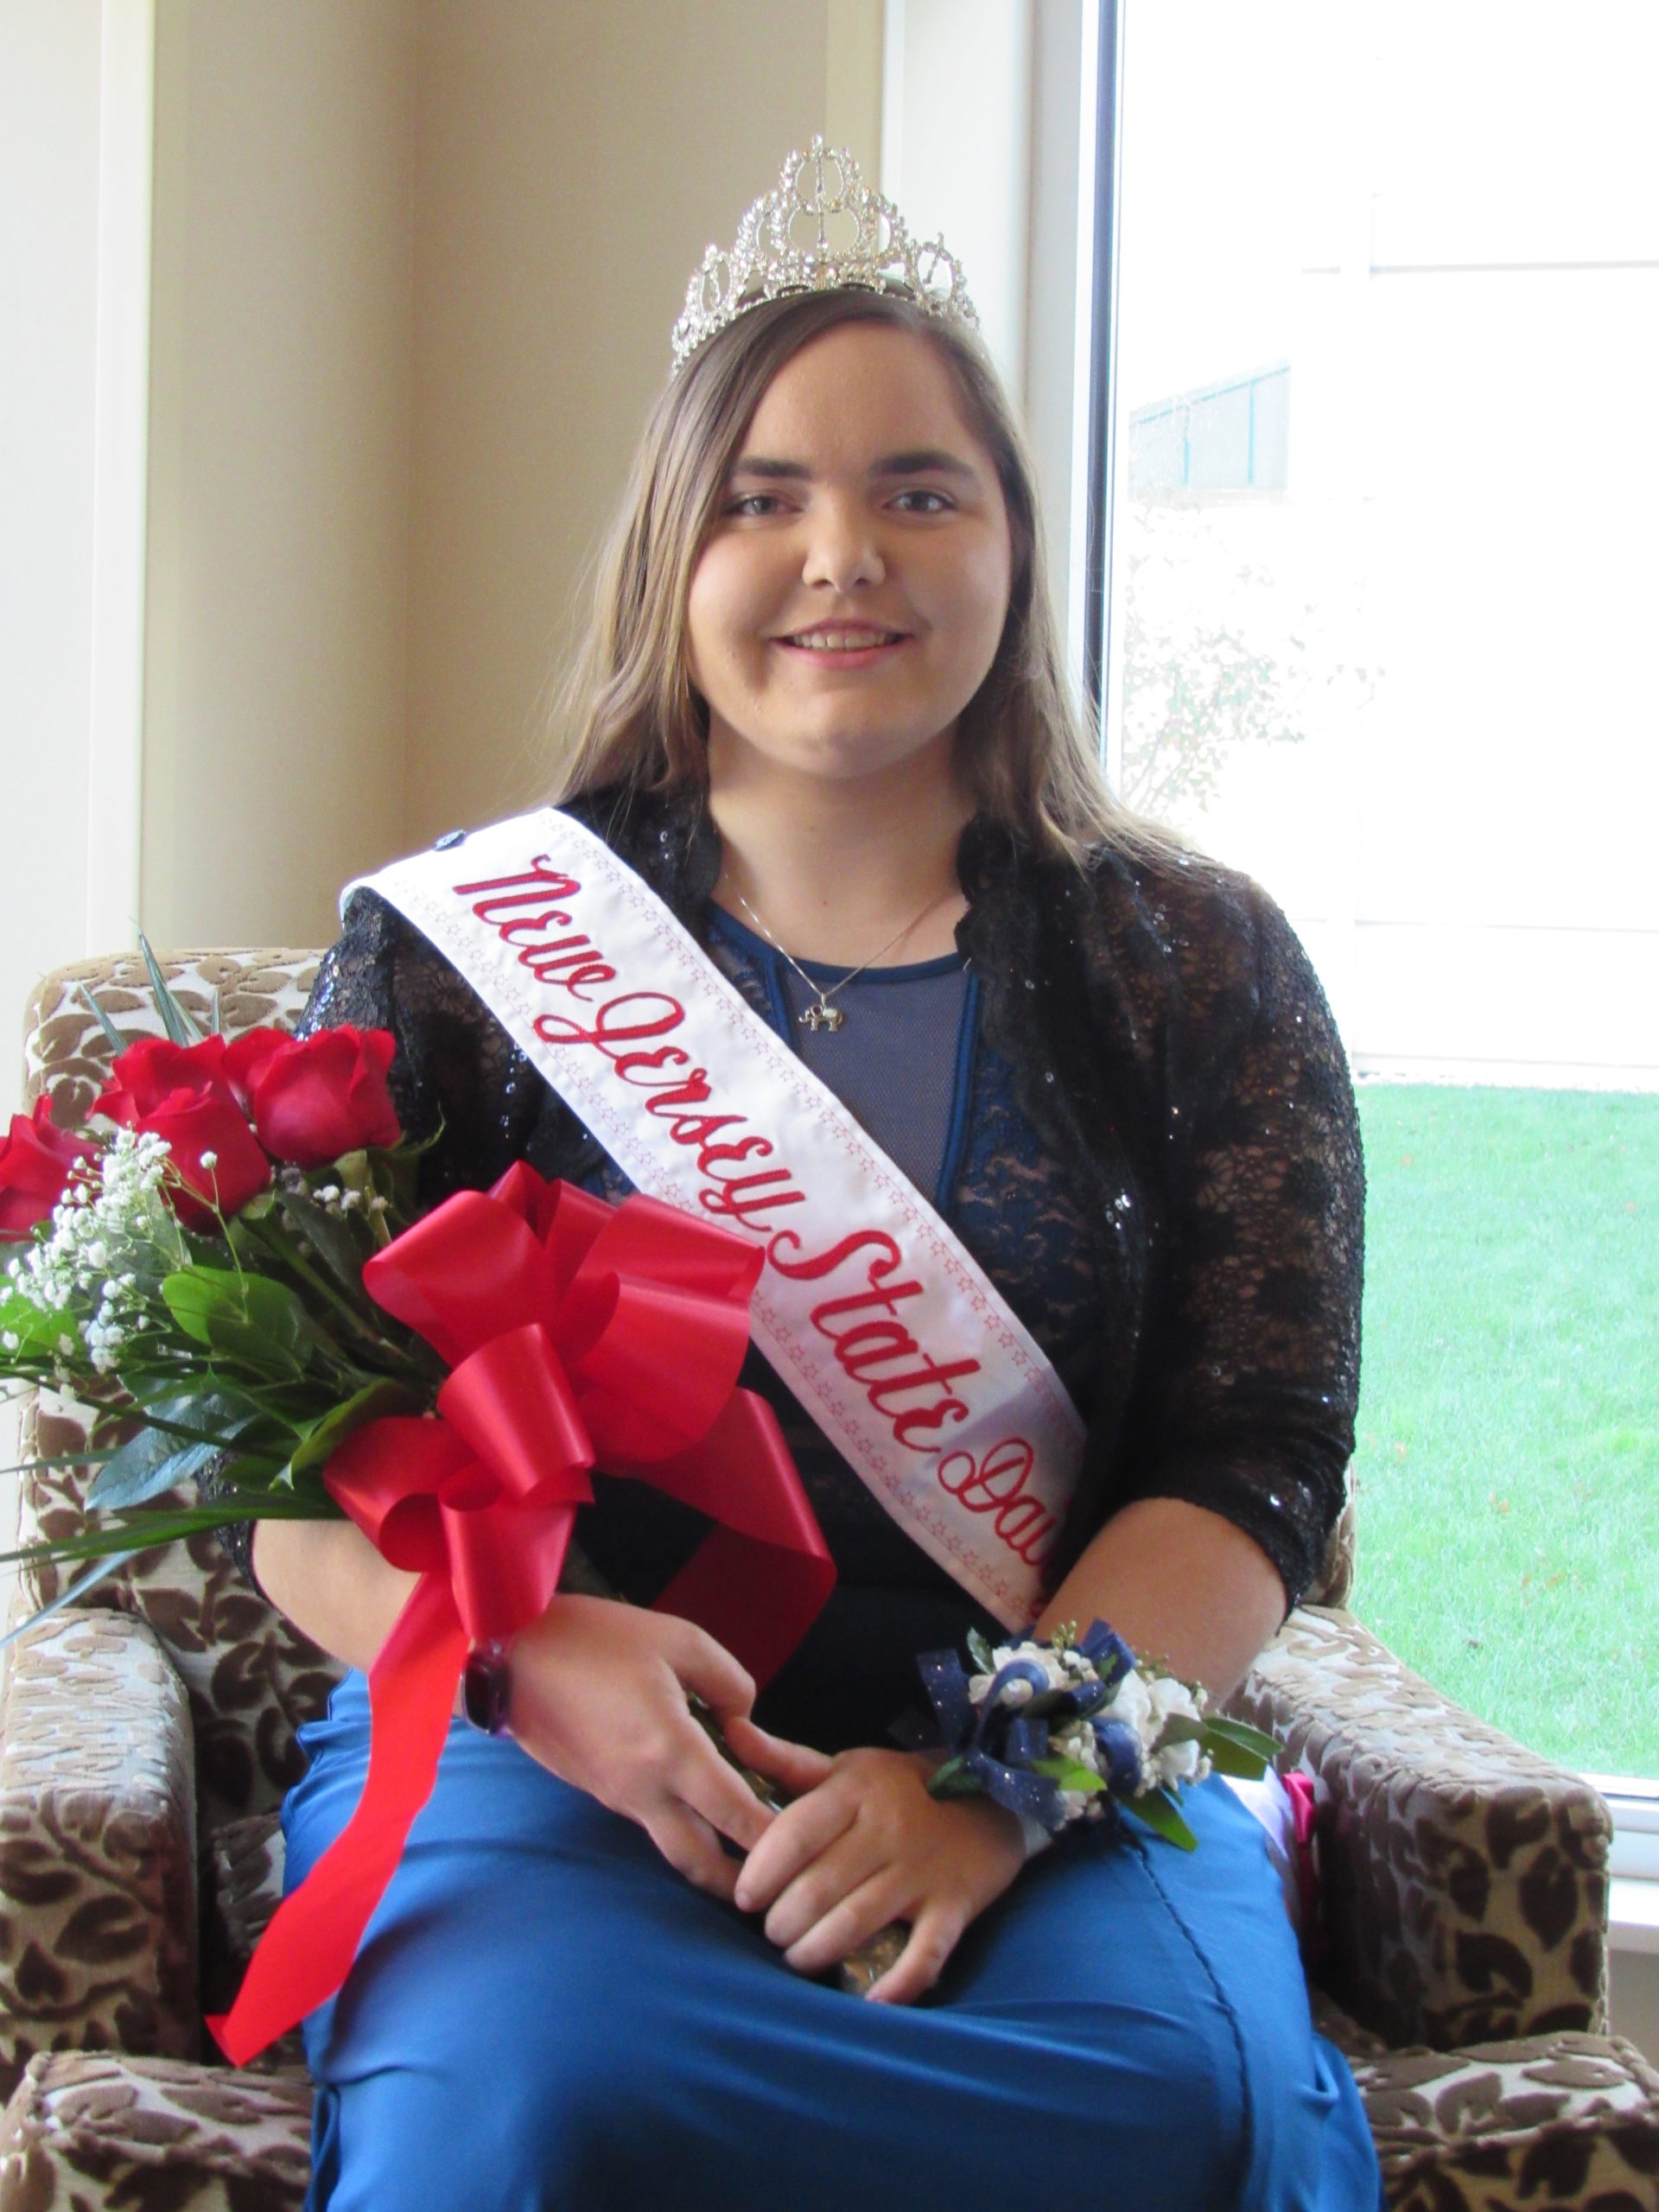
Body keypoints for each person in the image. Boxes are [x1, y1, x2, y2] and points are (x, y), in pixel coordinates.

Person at [235, 145, 1382, 2210]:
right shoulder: (464, 952)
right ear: (674, 558)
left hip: (1049, 1775)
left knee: (1178, 2112)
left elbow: (1250, 1464)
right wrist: (524, 1652)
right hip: (541, 1759)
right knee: (527, 2108)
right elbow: (284, 1480)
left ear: (1015, 548)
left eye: (918, 490)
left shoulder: (1198, 966)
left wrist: (996, 1786)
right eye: (762, 496)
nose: (841, 552)